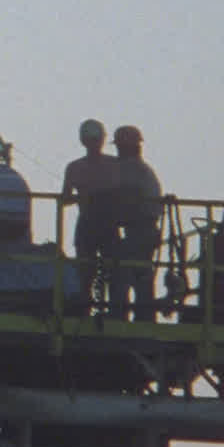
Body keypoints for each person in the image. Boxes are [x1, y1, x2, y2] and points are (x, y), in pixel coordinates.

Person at [59, 120, 119, 312]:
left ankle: (94, 309)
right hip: (97, 224)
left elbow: (65, 198)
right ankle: (98, 309)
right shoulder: (112, 165)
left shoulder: (76, 167)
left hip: (99, 224)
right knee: (91, 270)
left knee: (106, 269)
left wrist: (83, 195)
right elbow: (66, 197)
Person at [110, 125, 164, 321]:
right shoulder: (142, 169)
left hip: (139, 228)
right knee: (141, 274)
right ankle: (145, 316)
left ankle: (119, 316)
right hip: (144, 229)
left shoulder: (132, 169)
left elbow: (128, 199)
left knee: (122, 274)